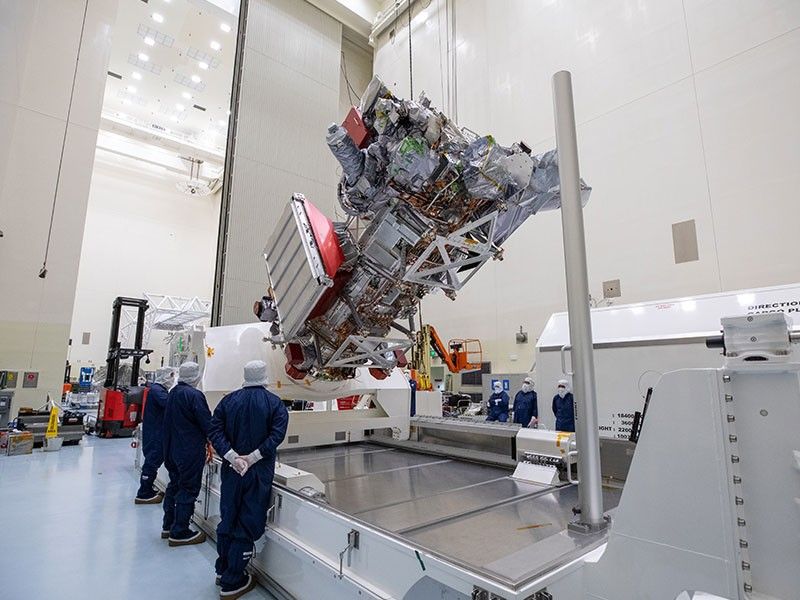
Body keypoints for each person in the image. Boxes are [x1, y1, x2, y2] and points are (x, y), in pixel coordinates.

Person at [208, 360, 289, 600]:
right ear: (264, 376)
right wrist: (253, 458)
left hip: (232, 470)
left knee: (228, 518)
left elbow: (214, 430)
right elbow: (277, 434)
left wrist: (232, 456)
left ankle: (223, 570)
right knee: (247, 522)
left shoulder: (228, 401)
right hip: (258, 472)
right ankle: (234, 580)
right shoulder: (274, 403)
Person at [162, 361, 212, 546]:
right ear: (196, 376)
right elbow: (207, 423)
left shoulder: (173, 393)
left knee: (174, 486)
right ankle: (180, 531)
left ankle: (168, 526)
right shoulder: (194, 396)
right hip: (188, 450)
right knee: (188, 488)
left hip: (171, 449)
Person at [134, 367, 174, 504]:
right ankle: (144, 493)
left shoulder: (158, 389)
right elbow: (169, 405)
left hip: (155, 431)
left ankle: (147, 488)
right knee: (152, 461)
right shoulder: (158, 391)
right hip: (156, 433)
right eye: (171, 376)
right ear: (165, 376)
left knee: (152, 461)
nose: (172, 379)